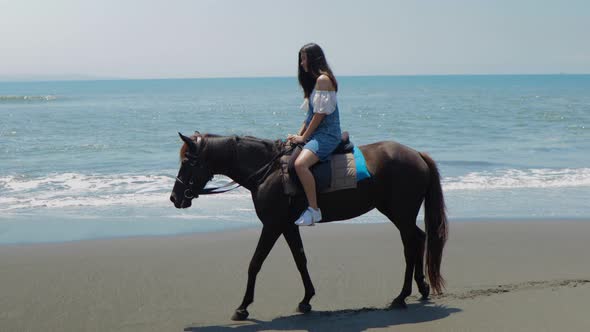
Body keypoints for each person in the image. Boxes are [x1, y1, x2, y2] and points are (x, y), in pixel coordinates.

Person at [288, 43, 342, 226]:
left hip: (327, 134)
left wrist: (304, 138)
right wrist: (297, 135)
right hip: (317, 132)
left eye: (304, 58)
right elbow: (310, 116)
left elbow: (319, 116)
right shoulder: (314, 83)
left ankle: (314, 210)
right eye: (301, 59)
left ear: (313, 59)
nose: (301, 63)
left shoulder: (323, 80)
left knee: (300, 164)